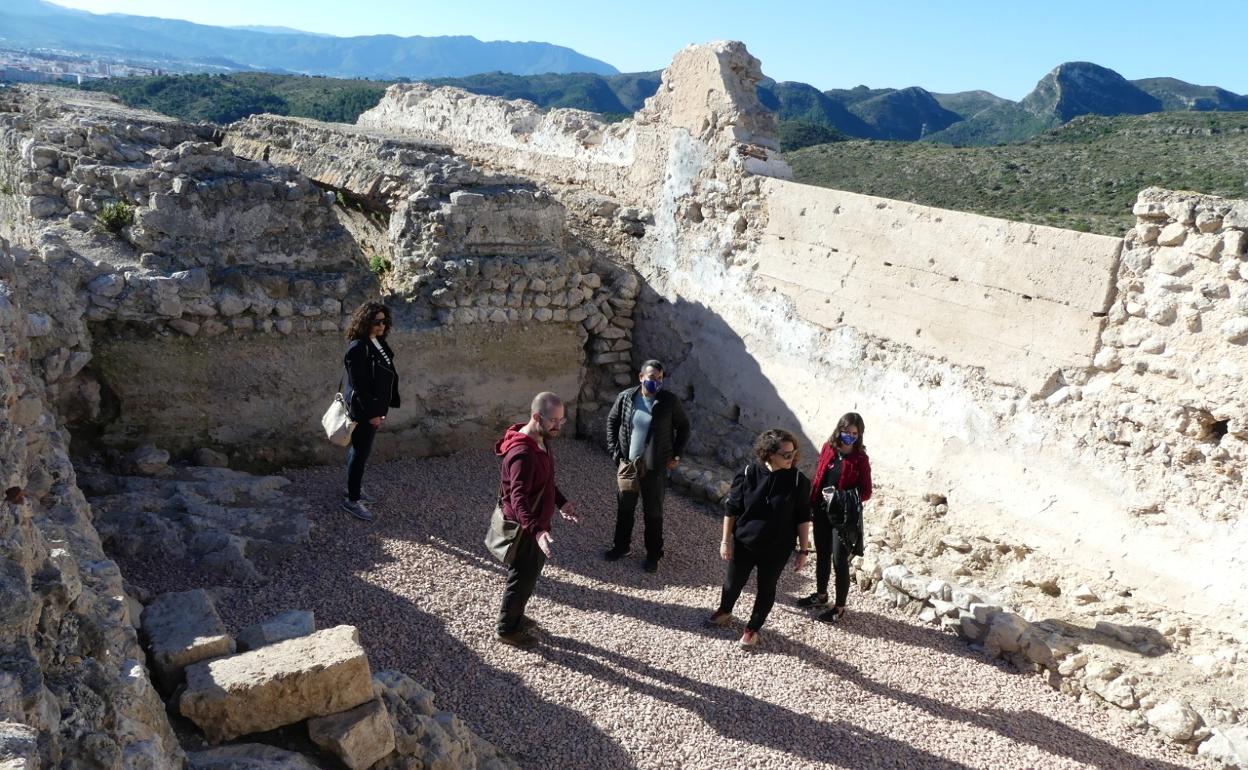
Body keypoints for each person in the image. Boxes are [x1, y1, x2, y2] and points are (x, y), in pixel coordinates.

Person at [708, 429, 813, 649]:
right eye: (785, 454)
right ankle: (725, 611)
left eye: (793, 453)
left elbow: (803, 517)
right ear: (769, 454)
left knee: (766, 588)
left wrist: (803, 551)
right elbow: (732, 508)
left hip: (777, 549)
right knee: (732, 583)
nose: (791, 458)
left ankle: (752, 630)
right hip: (745, 543)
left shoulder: (798, 481)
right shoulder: (748, 473)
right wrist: (725, 541)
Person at [494, 392, 580, 648]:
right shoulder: (521, 454)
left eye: (561, 421)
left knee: (528, 577)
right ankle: (507, 628)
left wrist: (561, 503)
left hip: (535, 527)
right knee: (521, 579)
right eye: (554, 421)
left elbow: (546, 481)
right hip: (525, 529)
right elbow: (517, 498)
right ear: (536, 417)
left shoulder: (541, 439)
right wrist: (537, 532)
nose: (558, 426)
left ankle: (515, 616)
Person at [604, 359, 691, 573]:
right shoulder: (626, 398)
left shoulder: (669, 402)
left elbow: (684, 427)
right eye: (652, 378)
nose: (656, 382)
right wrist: (615, 453)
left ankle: (653, 555)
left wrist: (677, 455)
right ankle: (621, 547)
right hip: (628, 465)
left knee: (653, 512)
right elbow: (612, 422)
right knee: (625, 507)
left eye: (660, 378)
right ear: (641, 377)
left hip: (655, 467)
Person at [796, 412, 872, 623]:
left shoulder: (860, 459)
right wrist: (813, 502)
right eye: (846, 432)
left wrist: (839, 496)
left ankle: (839, 607)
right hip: (821, 511)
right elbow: (819, 476)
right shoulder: (828, 448)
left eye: (854, 433)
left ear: (859, 435)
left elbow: (866, 492)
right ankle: (821, 595)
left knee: (839, 561)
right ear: (839, 430)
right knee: (822, 554)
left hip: (843, 517)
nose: (849, 436)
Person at [340, 301, 400, 522]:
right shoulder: (358, 348)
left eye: (384, 322)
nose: (381, 326)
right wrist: (373, 413)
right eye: (376, 322)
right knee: (360, 452)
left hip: (376, 407)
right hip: (364, 410)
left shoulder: (377, 343)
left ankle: (351, 489)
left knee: (360, 451)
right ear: (365, 322)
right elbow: (361, 386)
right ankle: (352, 499)